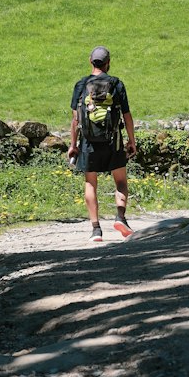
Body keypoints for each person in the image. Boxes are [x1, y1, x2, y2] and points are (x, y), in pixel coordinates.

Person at [69, 46, 136, 243]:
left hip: (88, 142)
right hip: (113, 141)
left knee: (91, 183)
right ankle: (120, 217)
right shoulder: (116, 84)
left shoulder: (81, 85)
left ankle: (96, 229)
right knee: (121, 181)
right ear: (108, 63)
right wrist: (131, 141)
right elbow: (127, 116)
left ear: (90, 61)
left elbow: (75, 119)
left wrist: (73, 145)